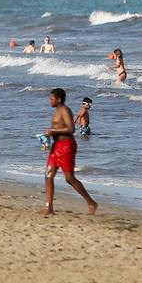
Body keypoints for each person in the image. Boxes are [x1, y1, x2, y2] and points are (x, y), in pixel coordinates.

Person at [42, 87, 97, 216]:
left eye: (51, 99)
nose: (49, 101)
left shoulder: (65, 110)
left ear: (59, 99)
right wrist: (49, 135)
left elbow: (71, 128)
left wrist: (53, 131)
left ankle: (91, 202)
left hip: (67, 146)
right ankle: (49, 207)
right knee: (48, 175)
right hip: (56, 146)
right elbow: (58, 127)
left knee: (69, 178)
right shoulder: (56, 111)